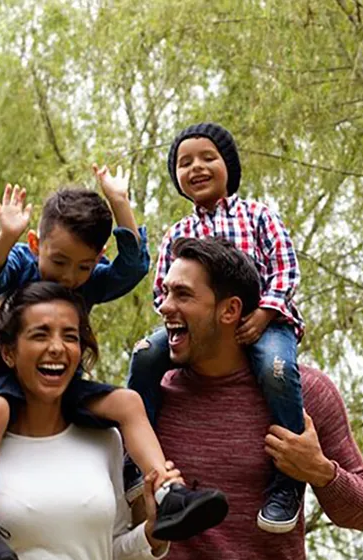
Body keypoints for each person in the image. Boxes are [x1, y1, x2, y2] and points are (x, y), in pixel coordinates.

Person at [0, 167, 226, 560]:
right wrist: (7, 236)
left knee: (128, 402)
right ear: (36, 245)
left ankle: (169, 491)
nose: (68, 278)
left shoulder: (88, 282)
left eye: (83, 267)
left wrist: (120, 204)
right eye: (60, 262)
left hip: (64, 389)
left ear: (96, 260)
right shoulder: (24, 263)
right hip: (3, 384)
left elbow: (132, 268)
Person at [145, 237, 363, 560]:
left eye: (182, 294)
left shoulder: (307, 393)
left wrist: (319, 470)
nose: (165, 306)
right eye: (166, 293)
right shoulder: (155, 397)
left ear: (230, 310)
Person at [0, 282, 182, 560]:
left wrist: (151, 536)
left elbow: (107, 554)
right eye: (40, 335)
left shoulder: (105, 441)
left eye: (70, 336)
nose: (57, 348)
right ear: (8, 353)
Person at [125, 123, 308, 533]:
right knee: (145, 354)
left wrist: (263, 312)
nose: (196, 168)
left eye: (208, 158)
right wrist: (177, 317)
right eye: (184, 163)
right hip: (198, 327)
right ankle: (135, 457)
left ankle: (288, 477)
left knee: (277, 369)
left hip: (265, 322)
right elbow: (162, 292)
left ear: (230, 166)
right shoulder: (178, 233)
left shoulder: (258, 216)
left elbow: (285, 271)